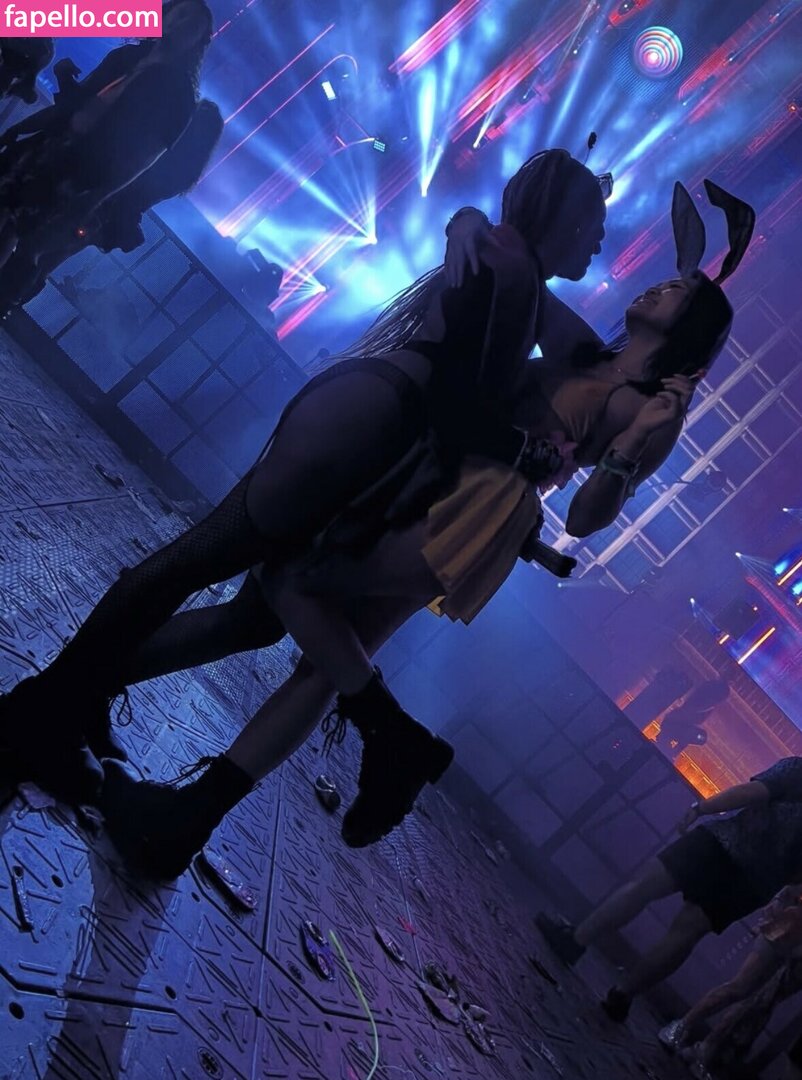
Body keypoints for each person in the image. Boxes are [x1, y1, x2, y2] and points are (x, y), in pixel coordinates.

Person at [95, 178, 754, 878]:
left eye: (675, 291)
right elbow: (518, 273)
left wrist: (629, 449)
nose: (656, 288)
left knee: (291, 579)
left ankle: (388, 740)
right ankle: (191, 816)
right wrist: (467, 222)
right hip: (444, 473)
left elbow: (589, 518)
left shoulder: (654, 409)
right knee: (325, 660)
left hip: (480, 507)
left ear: (691, 328)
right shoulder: (587, 351)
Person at [0, 149, 609, 819]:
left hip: (369, 418)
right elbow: (459, 399)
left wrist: (469, 220)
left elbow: (590, 357)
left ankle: (65, 703)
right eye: (594, 226)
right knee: (195, 563)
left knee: (246, 608)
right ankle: (41, 712)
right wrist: (526, 450)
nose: (600, 243)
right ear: (566, 218)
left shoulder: (516, 269)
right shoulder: (512, 269)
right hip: (367, 425)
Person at [536, 756, 802, 1024]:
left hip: (723, 843)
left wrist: (701, 808)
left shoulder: (797, 769)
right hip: (754, 883)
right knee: (687, 932)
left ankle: (575, 941)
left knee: (644, 886)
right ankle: (623, 995)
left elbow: (751, 793)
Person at [0, 0, 213, 273]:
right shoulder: (127, 56)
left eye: (192, 25)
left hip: (78, 175)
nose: (181, 25)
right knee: (10, 221)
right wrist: (22, 128)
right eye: (180, 14)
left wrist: (92, 199)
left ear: (198, 42)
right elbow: (74, 107)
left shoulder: (179, 97)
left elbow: (141, 159)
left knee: (19, 234)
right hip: (47, 148)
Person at [0, 98, 224, 314]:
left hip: (97, 200)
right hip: (108, 220)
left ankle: (8, 294)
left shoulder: (161, 147)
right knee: (51, 260)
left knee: (34, 244)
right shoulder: (185, 175)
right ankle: (12, 300)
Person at [658, 884, 802, 1078]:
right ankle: (681, 1027)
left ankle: (696, 1044)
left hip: (790, 936)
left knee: (748, 997)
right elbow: (793, 887)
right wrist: (779, 903)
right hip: (785, 931)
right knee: (739, 988)